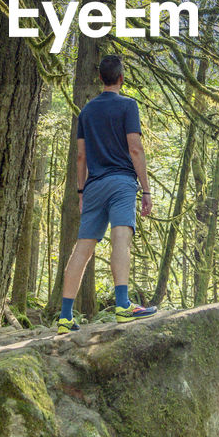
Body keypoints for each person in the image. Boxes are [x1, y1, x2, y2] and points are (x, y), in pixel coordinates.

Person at [55, 53, 157, 332]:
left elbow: (80, 157)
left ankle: (65, 316)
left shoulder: (86, 111)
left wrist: (80, 191)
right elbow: (134, 148)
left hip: (94, 185)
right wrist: (146, 189)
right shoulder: (128, 106)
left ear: (100, 78)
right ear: (121, 78)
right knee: (121, 237)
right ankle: (123, 305)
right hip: (122, 181)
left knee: (82, 248)